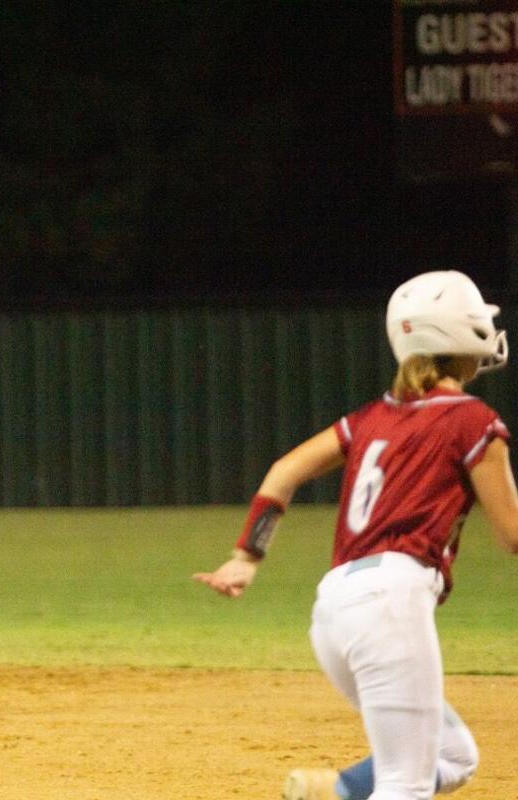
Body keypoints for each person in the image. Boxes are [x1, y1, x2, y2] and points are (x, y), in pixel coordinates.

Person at [194, 271, 518, 800]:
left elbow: (284, 469)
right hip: (391, 606)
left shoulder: (372, 417)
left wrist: (246, 556)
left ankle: (337, 791)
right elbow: (512, 535)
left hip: (335, 613)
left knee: (453, 757)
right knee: (405, 785)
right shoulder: (472, 420)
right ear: (458, 333)